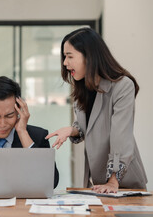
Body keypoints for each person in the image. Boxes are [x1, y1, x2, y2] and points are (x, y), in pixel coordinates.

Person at [46, 27, 147, 193]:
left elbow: (121, 136)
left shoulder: (122, 86)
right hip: (99, 184)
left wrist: (114, 181)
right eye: (64, 57)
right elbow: (87, 127)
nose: (65, 62)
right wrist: (71, 130)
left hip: (125, 182)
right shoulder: (81, 88)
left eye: (70, 56)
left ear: (89, 56)